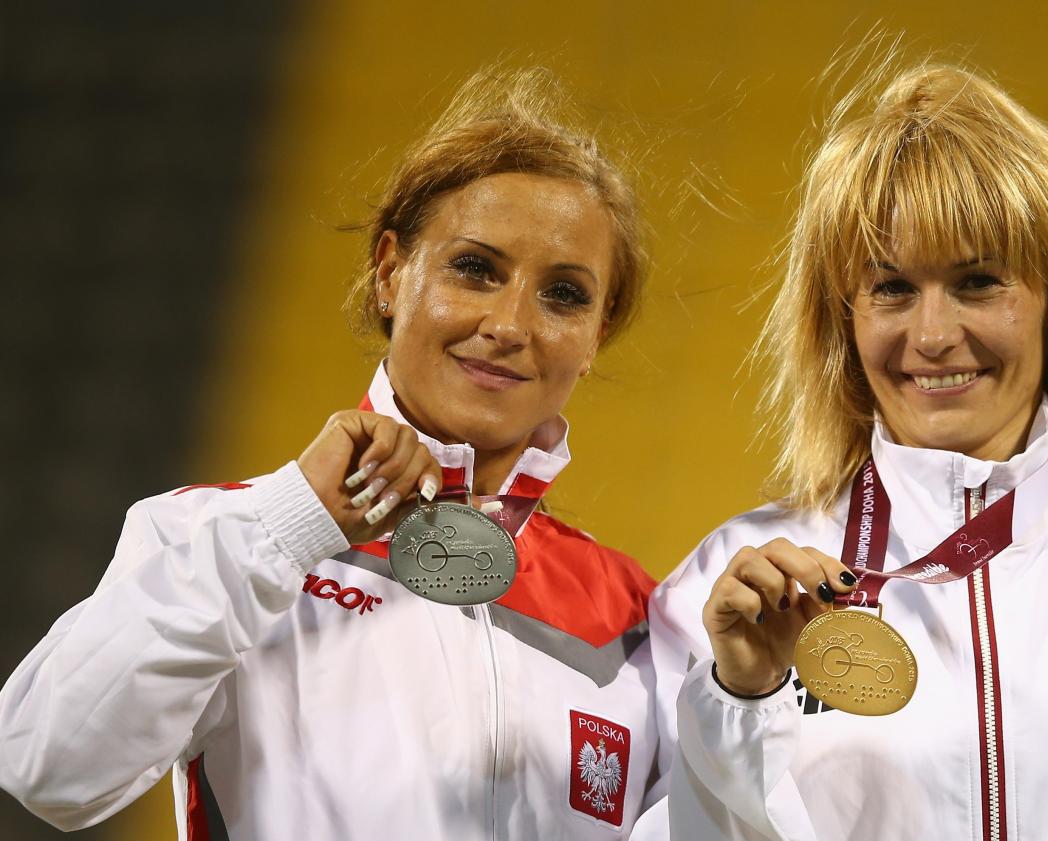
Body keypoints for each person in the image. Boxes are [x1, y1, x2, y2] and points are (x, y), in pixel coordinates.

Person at [0, 69, 663, 840]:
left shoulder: (637, 615)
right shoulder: (215, 533)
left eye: (565, 295)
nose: (511, 323)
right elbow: (50, 767)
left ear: (597, 337)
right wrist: (286, 527)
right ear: (390, 273)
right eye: (475, 269)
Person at [642, 65, 1048, 841]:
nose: (932, 336)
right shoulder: (725, 585)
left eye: (977, 281)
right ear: (844, 314)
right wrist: (739, 700)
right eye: (893, 288)